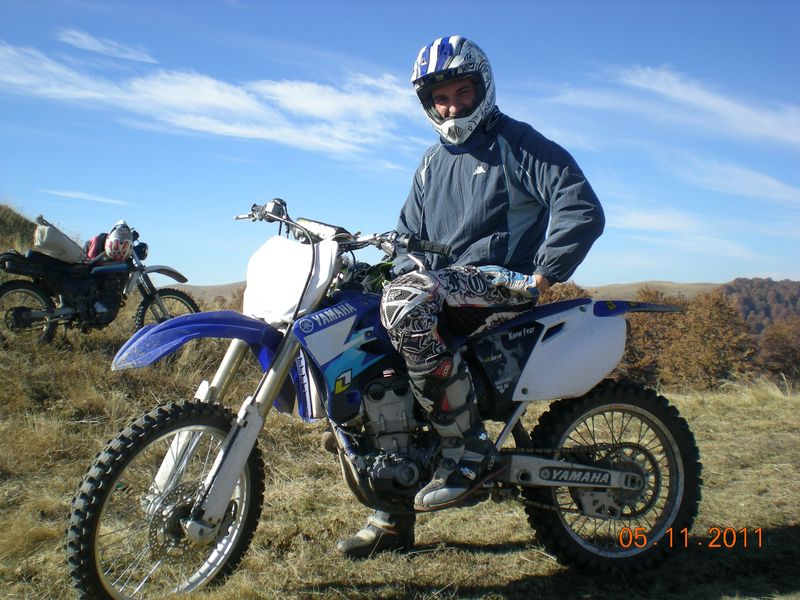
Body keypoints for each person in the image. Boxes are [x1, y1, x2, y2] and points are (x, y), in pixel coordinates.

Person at [335, 35, 605, 558]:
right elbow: (407, 237)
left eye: (462, 92)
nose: (452, 106)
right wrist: (383, 273)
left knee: (404, 303)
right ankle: (392, 511)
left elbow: (580, 206)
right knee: (361, 322)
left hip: (499, 281)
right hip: (439, 290)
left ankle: (469, 449)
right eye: (440, 98)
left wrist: (544, 275)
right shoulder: (430, 162)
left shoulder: (518, 143)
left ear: (484, 87)